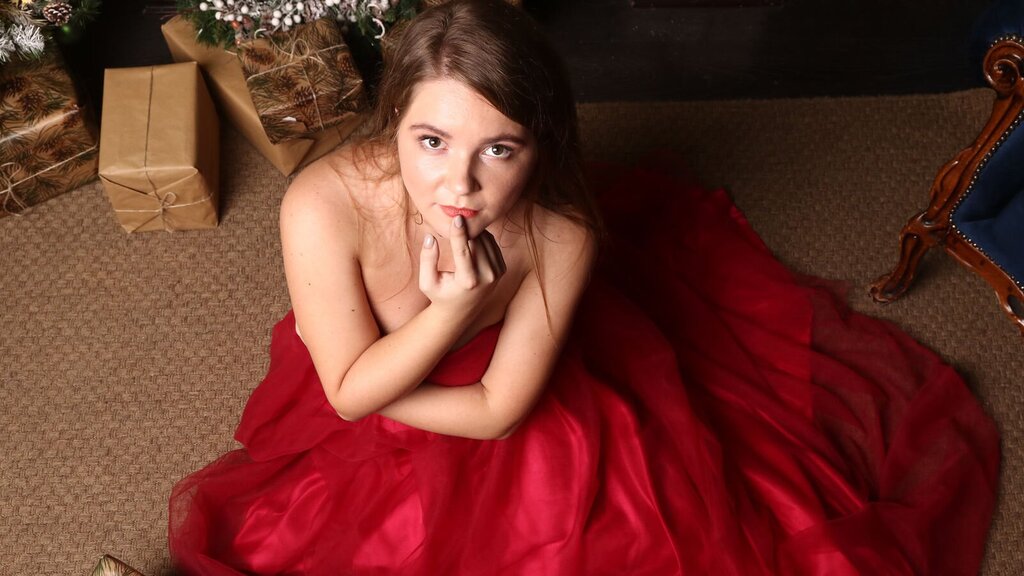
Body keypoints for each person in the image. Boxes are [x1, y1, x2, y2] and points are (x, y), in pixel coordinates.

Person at [168, 1, 1000, 574]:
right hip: (369, 378)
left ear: (541, 148)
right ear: (396, 123)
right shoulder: (324, 203)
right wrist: (427, 330)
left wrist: (407, 350)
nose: (459, 184)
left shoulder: (561, 234)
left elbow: (496, 412)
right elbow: (345, 397)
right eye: (431, 140)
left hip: (490, 415)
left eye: (499, 149)